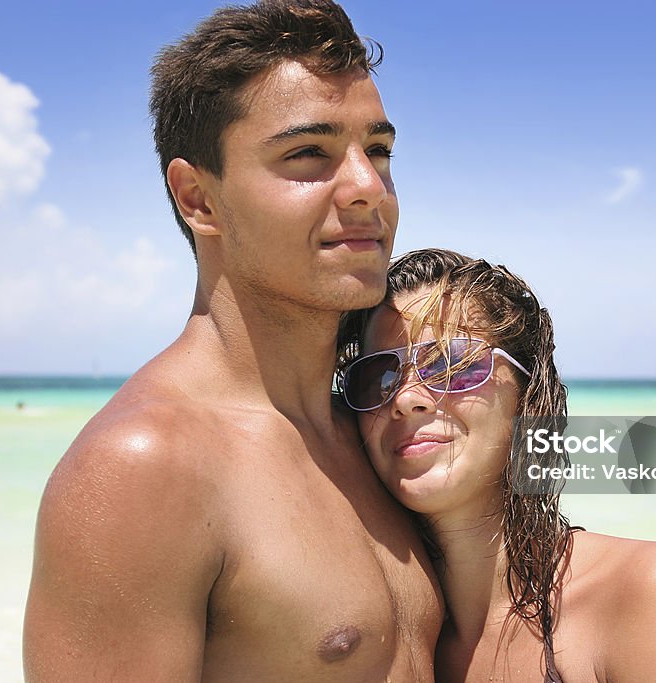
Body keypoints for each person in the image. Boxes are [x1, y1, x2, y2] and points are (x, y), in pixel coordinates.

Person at [23, 2, 442, 681]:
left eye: (380, 150)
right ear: (199, 199)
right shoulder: (146, 466)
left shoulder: (376, 426)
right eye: (310, 153)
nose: (370, 187)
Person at [337, 248, 656, 682]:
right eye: (378, 376)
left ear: (527, 395)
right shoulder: (384, 643)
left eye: (452, 365)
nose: (405, 398)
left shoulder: (650, 594)